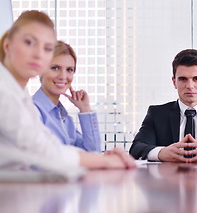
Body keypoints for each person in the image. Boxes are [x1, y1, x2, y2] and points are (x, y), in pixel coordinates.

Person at [0, 10, 136, 170]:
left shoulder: (28, 100)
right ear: (8, 45)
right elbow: (45, 152)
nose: (38, 54)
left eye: (47, 48)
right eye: (29, 42)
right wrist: (105, 161)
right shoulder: (7, 93)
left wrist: (85, 110)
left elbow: (77, 149)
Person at [33, 41, 100, 152]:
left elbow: (93, 152)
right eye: (55, 68)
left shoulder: (65, 118)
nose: (63, 76)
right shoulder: (31, 111)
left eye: (69, 70)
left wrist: (85, 109)